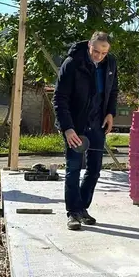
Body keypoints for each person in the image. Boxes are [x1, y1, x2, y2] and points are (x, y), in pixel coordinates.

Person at [53, 31, 119, 231]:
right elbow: (60, 98)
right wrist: (67, 128)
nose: (99, 56)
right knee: (73, 168)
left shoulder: (110, 64)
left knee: (94, 170)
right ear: (89, 45)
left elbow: (113, 90)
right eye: (96, 51)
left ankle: (82, 208)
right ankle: (72, 212)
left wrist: (110, 113)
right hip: (76, 125)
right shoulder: (72, 63)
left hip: (98, 123)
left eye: (104, 53)